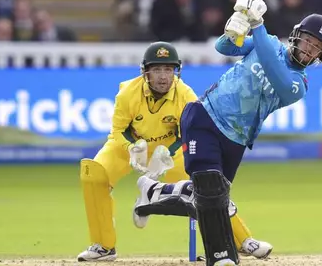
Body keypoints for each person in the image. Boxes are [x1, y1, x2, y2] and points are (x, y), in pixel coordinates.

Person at [133, 0, 322, 266]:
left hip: (236, 140)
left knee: (205, 199)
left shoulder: (299, 84)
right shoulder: (269, 43)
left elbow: (276, 74)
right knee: (211, 191)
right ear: (297, 35)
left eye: (318, 47)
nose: (310, 49)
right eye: (309, 41)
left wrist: (257, 24)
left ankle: (153, 192)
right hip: (206, 116)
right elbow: (223, 48)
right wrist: (236, 27)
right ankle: (222, 258)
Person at [77, 41, 272, 262]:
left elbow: (190, 132)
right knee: (92, 174)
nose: (163, 76)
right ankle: (103, 246)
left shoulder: (185, 95)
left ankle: (240, 241)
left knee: (208, 184)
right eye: (157, 70)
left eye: (168, 70)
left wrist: (166, 154)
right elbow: (118, 131)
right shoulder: (127, 93)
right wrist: (132, 148)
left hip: (171, 152)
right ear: (146, 72)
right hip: (128, 149)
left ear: (175, 71)